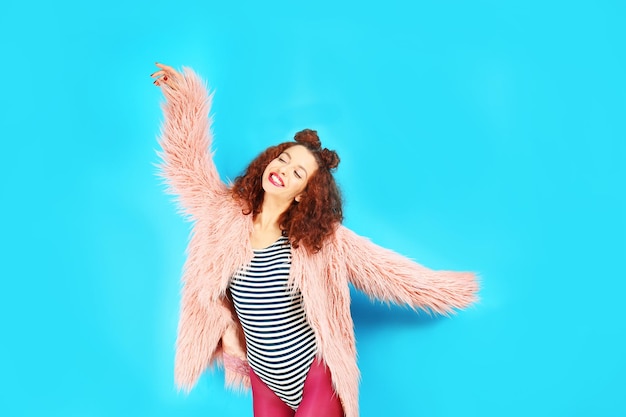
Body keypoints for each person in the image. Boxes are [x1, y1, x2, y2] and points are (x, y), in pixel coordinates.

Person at [151, 62, 479, 417]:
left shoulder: (317, 241)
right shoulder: (222, 215)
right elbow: (186, 166)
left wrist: (451, 290)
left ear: (301, 194)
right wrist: (184, 99)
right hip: (264, 379)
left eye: (297, 174)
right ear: (268, 163)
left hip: (314, 376)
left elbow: (386, 272)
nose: (283, 171)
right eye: (283, 160)